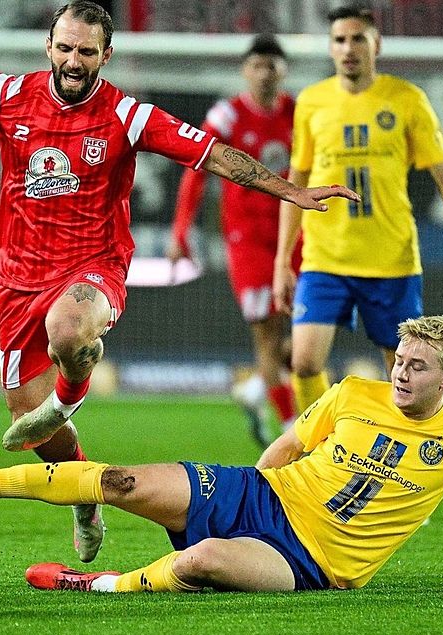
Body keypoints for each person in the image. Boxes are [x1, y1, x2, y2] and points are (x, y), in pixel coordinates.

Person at [0, 1, 357, 562]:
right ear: (48, 47)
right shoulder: (9, 94)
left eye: (86, 51)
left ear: (106, 54)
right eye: (64, 48)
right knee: (35, 435)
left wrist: (294, 193)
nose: (73, 61)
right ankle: (83, 499)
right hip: (17, 282)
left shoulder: (126, 117)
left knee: (68, 329)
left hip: (92, 271)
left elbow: (215, 157)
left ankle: (67, 396)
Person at [0, 314, 443, 593]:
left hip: (313, 562)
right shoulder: (354, 393)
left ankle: (94, 584)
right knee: (121, 481)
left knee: (200, 560)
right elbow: (287, 443)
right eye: (399, 361)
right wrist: (243, 494)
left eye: (418, 367)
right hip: (262, 497)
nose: (401, 374)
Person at [273, 3, 443, 416]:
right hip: (325, 258)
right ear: (330, 48)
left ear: (377, 44)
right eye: (339, 40)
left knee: (402, 377)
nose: (348, 48)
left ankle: (397, 461)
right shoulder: (312, 103)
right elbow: (295, 186)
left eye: (357, 38)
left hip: (390, 260)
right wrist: (283, 259)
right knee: (303, 362)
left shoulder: (406, 100)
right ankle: (326, 447)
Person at [166, 34, 298, 447]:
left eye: (272, 65)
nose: (264, 73)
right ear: (245, 71)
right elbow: (196, 167)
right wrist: (181, 229)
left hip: (295, 237)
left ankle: (258, 390)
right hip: (248, 240)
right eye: (257, 65)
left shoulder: (299, 113)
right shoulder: (227, 116)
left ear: (283, 72)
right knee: (267, 335)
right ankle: (294, 429)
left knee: (300, 339)